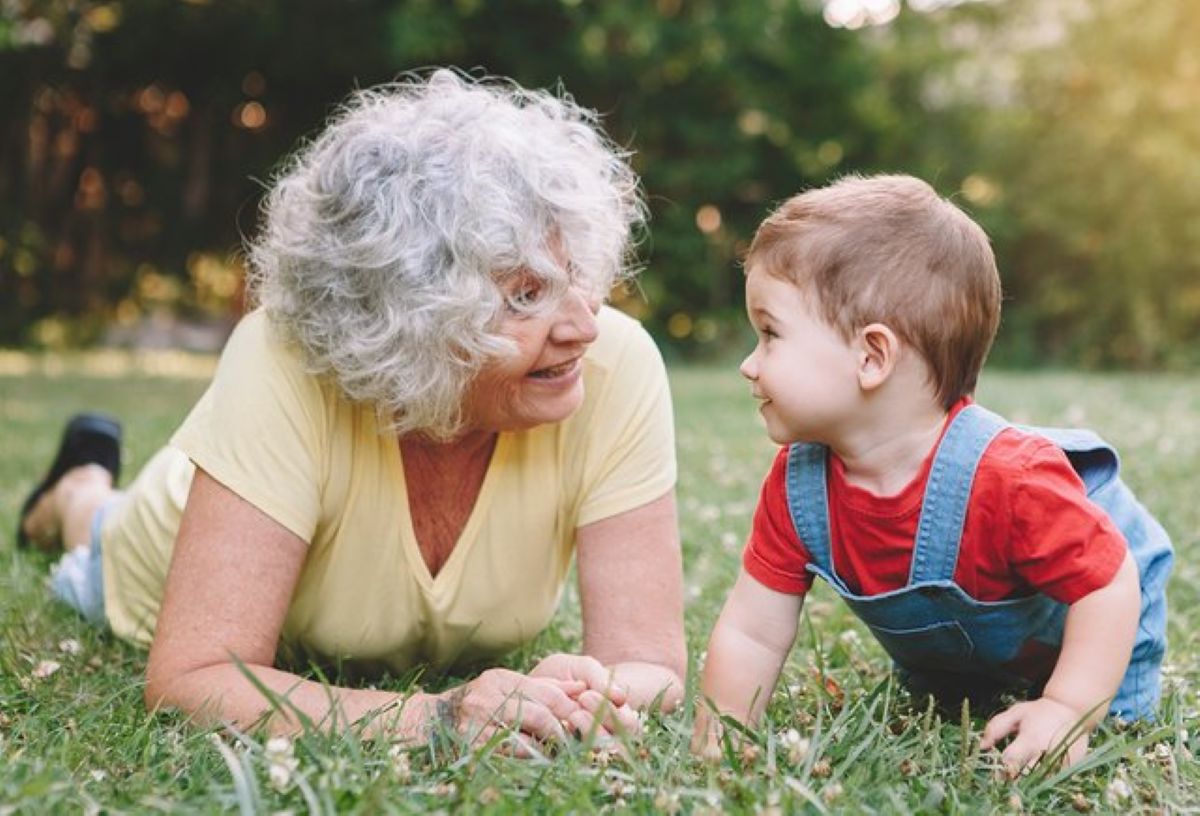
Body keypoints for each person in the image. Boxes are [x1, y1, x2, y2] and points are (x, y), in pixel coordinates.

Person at [18, 69, 686, 751]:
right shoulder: (281, 360)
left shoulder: (613, 368)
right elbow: (194, 677)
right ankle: (77, 489)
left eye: (572, 275)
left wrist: (589, 695)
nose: (583, 326)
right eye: (523, 296)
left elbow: (650, 663)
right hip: (148, 544)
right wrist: (439, 718)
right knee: (97, 529)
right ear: (409, 317)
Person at [692, 174, 1172, 774]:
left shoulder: (1010, 479)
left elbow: (1106, 582)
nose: (747, 364)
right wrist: (720, 739)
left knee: (1088, 733)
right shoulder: (799, 487)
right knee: (949, 707)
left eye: (770, 334)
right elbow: (752, 631)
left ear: (871, 357)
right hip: (963, 661)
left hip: (1102, 629)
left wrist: (1067, 706)